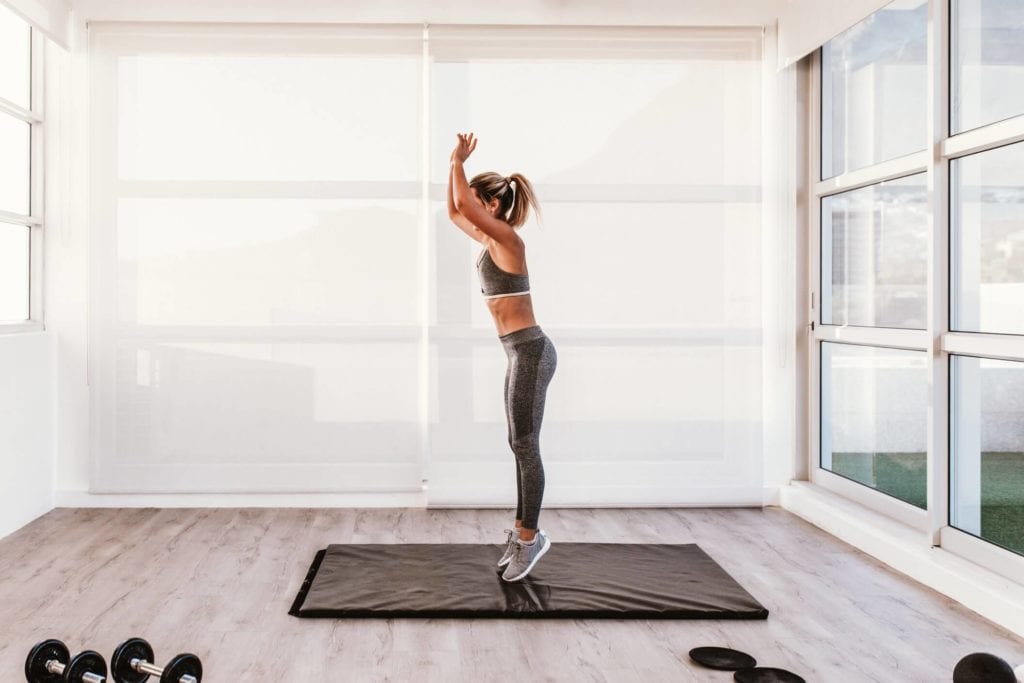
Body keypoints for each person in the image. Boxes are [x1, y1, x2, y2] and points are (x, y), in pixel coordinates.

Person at [447, 132, 557, 582]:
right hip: (518, 353)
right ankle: (520, 532)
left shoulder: (508, 239)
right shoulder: (491, 241)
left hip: (530, 351)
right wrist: (452, 167)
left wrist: (459, 160)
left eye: (478, 201)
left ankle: (530, 540)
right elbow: (455, 210)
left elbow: (465, 207)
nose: (470, 207)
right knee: (518, 443)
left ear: (492, 206)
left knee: (525, 446)